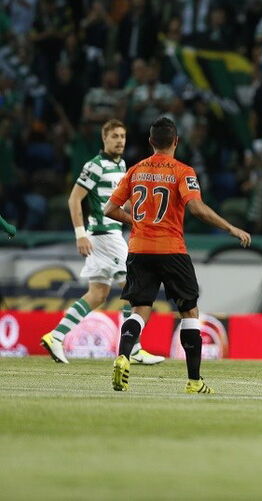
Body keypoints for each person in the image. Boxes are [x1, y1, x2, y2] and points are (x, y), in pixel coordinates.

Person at [103, 118, 251, 394]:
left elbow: (109, 209)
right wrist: (230, 227)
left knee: (140, 309)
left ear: (151, 142)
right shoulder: (183, 171)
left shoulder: (135, 170)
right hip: (171, 249)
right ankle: (194, 381)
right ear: (176, 141)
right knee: (189, 311)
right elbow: (196, 208)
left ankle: (123, 355)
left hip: (139, 249)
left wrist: (137, 221)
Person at [40, 120, 163, 366]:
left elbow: (121, 200)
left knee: (97, 294)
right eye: (114, 136)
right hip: (105, 235)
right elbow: (74, 199)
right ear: (104, 138)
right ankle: (134, 348)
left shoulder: (122, 165)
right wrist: (80, 234)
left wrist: (141, 217)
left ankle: (56, 336)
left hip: (109, 235)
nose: (120, 141)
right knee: (134, 289)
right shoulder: (95, 165)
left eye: (123, 136)